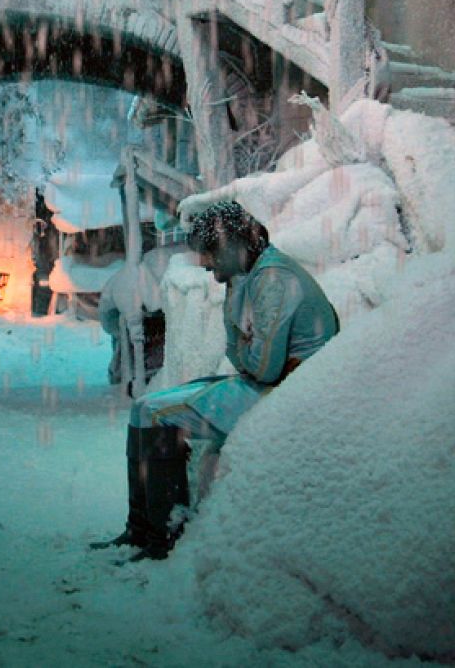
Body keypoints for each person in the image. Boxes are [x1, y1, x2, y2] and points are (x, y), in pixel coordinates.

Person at [92, 201, 339, 560]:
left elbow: (263, 367)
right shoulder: (251, 275)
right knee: (143, 407)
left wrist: (244, 343)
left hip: (288, 392)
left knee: (157, 415)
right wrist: (242, 334)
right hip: (268, 383)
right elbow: (242, 355)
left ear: (232, 245)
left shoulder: (274, 280)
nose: (206, 263)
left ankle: (164, 534)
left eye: (209, 253)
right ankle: (140, 529)